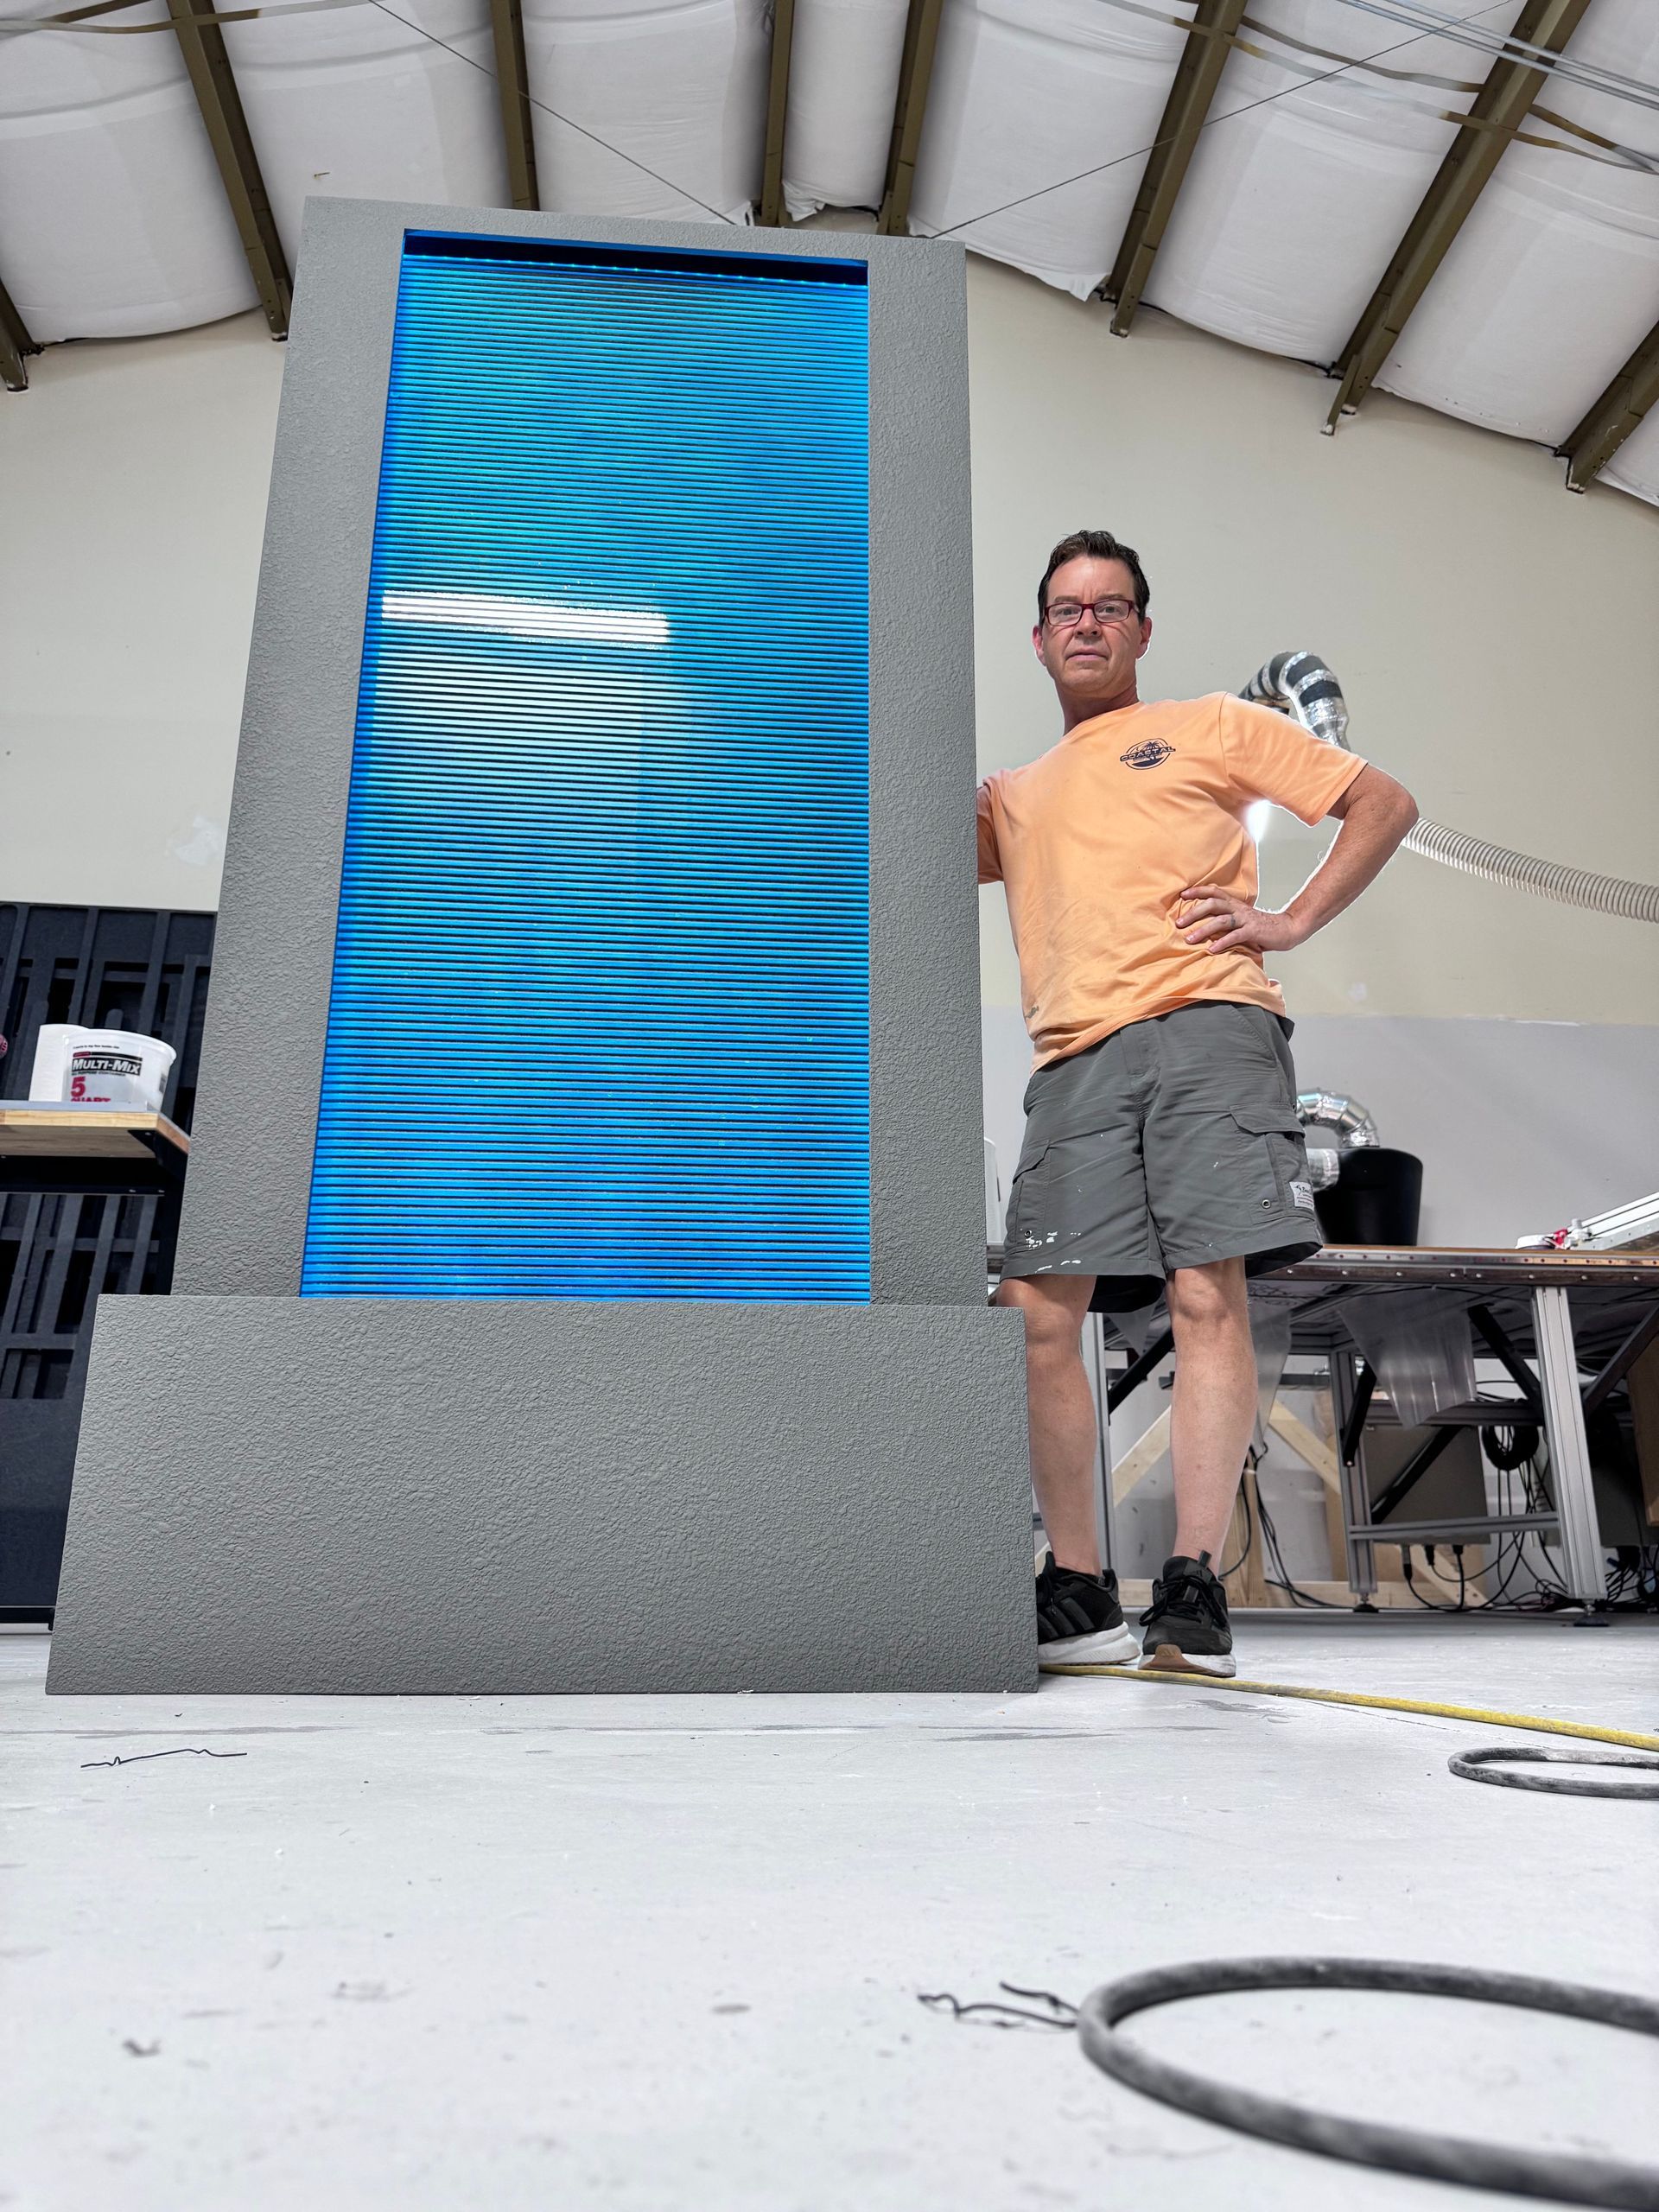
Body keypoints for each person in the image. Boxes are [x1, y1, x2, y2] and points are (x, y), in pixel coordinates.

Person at [980, 530, 1416, 1676]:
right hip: (1074, 1059)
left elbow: (1381, 801)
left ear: (1141, 630)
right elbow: (874, 838)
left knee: (1203, 1294)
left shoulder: (1210, 724)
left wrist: (1292, 920)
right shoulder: (1014, 797)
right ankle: (1078, 1585)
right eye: (1067, 609)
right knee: (1035, 1310)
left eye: (1109, 606)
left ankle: (1189, 1586)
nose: (1087, 622)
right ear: (1037, 638)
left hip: (1207, 1026)